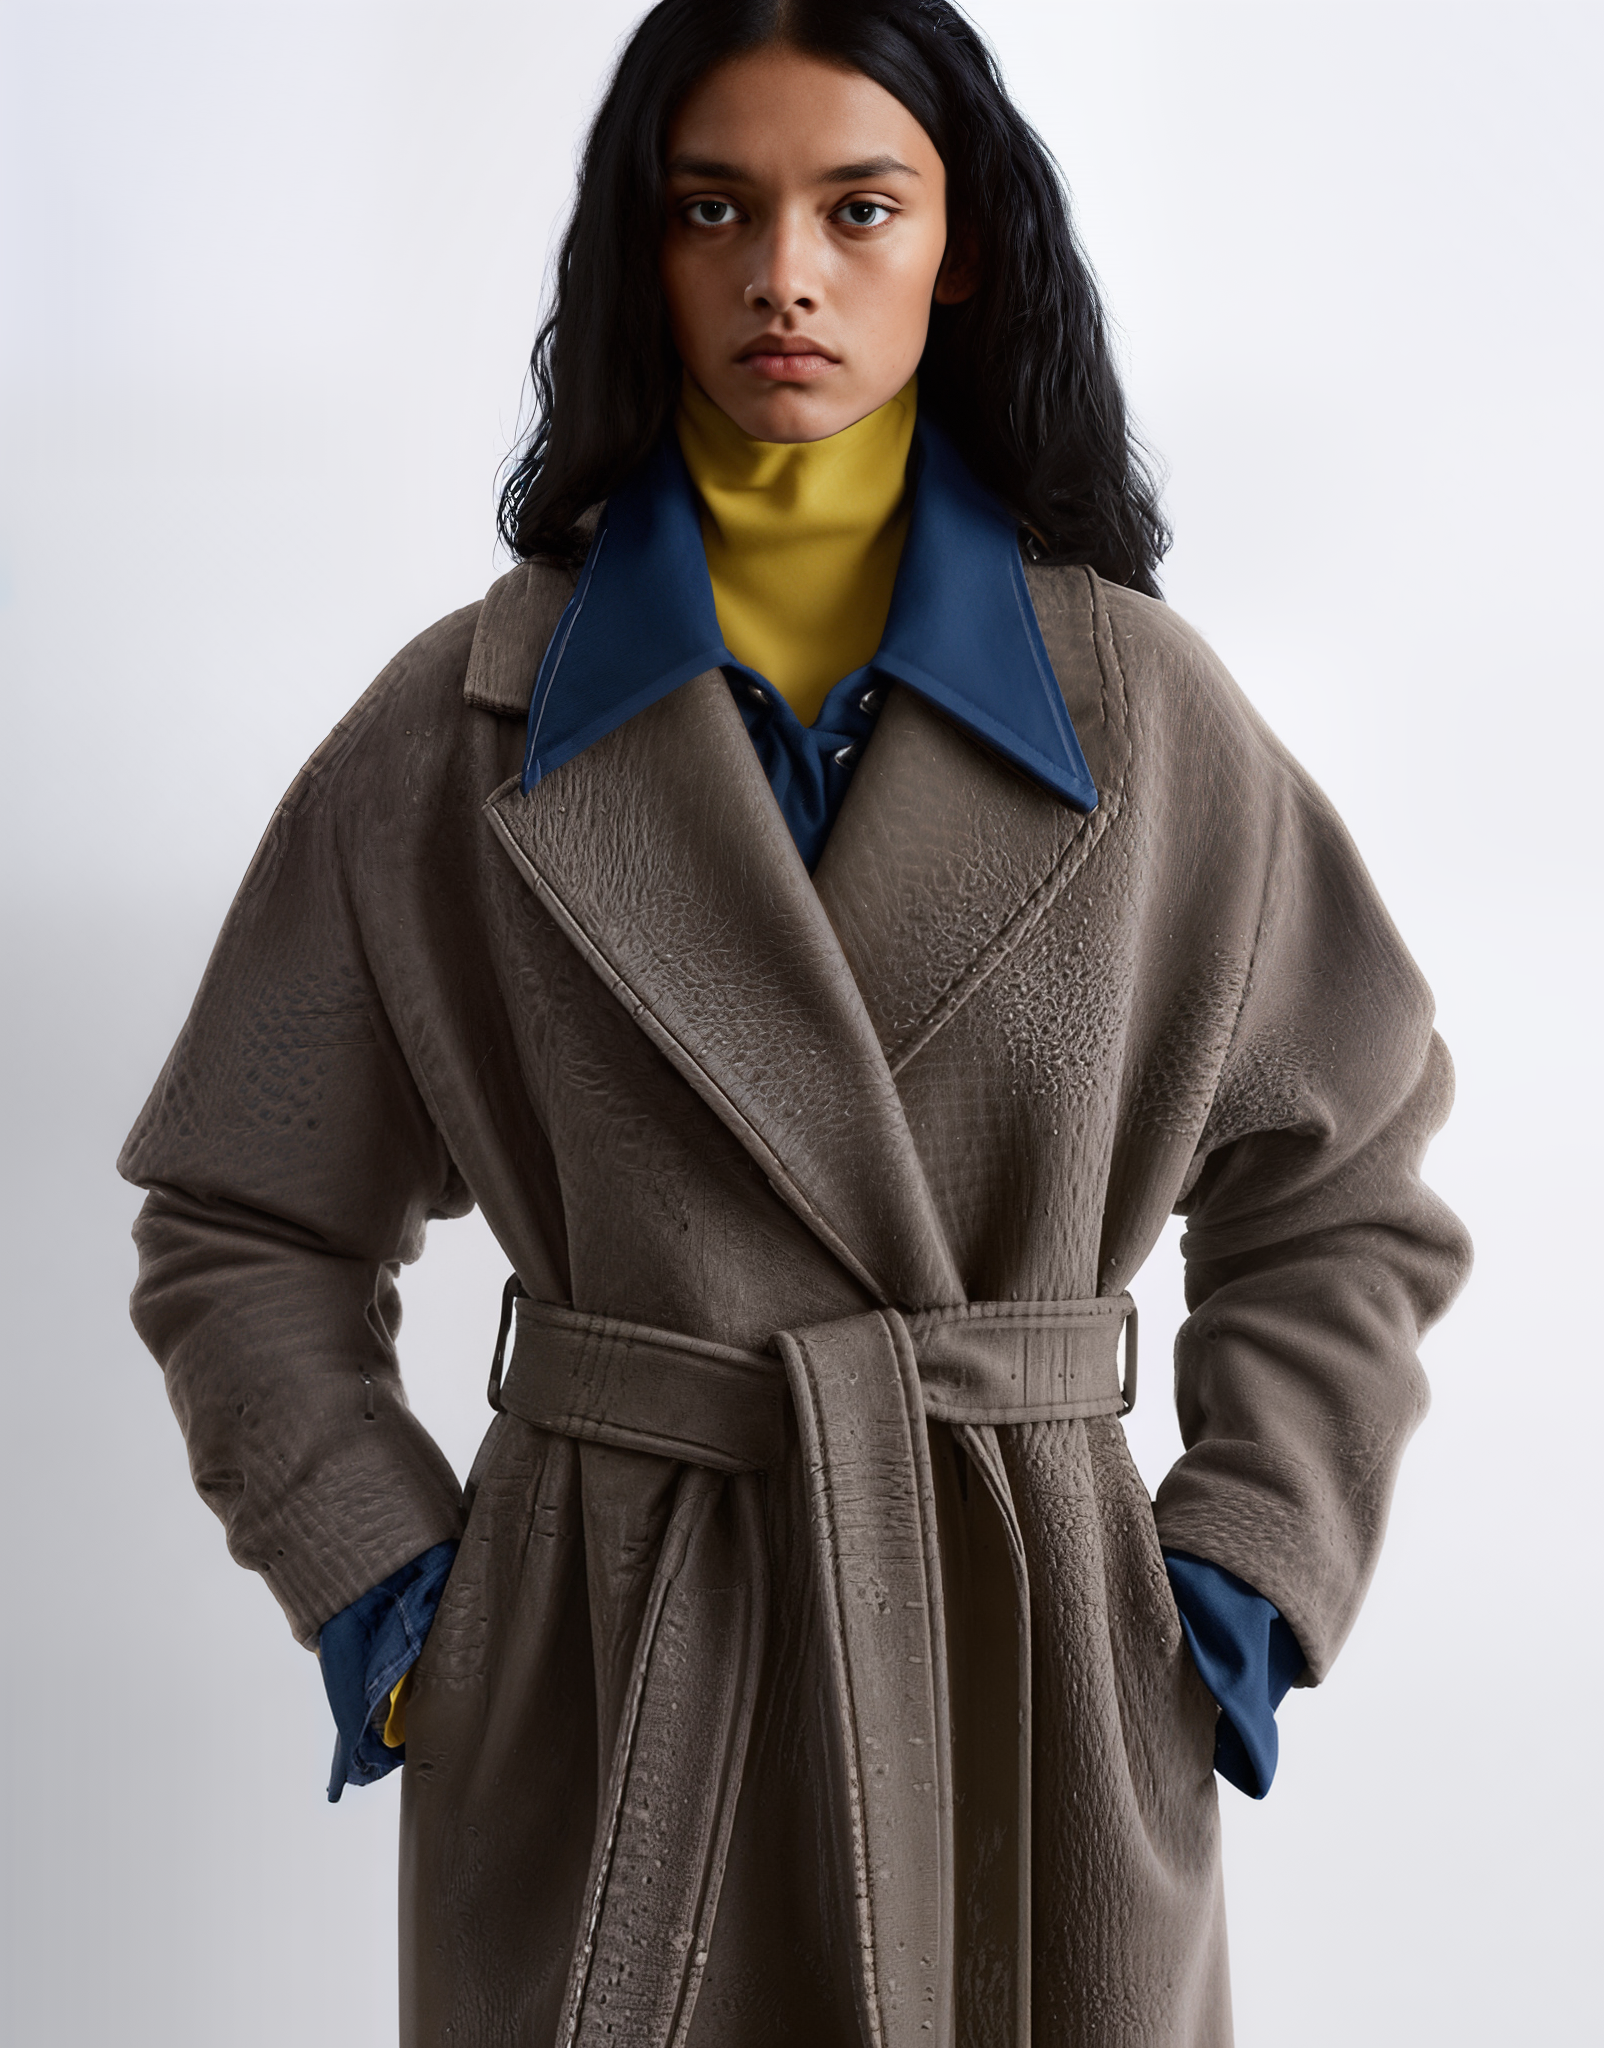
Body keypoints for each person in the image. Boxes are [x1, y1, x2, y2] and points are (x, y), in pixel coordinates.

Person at [118, 3, 1471, 2043]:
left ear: (963, 245)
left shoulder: (1149, 718)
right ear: (638, 249)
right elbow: (244, 1212)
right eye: (711, 209)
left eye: (858, 208)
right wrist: (396, 1601)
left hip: (1027, 1679)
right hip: (609, 1679)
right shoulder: (460, 730)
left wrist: (1238, 1588)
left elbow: (1344, 1182)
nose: (782, 276)